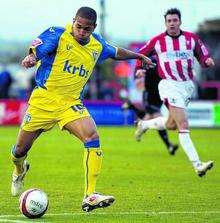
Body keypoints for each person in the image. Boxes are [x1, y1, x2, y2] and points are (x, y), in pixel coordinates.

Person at [10, 6, 154, 212]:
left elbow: (116, 52)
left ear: (93, 27)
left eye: (86, 29)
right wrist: (31, 57)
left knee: (92, 136)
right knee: (19, 150)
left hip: (70, 103)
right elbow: (37, 49)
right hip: (43, 100)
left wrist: (139, 57)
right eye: (78, 26)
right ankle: (19, 169)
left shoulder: (97, 44)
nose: (81, 32)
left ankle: (90, 195)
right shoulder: (58, 34)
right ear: (73, 22)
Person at [135, 8, 215, 177]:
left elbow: (203, 56)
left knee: (171, 124)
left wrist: (207, 61)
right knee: (183, 125)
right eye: (169, 21)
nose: (172, 23)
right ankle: (198, 165)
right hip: (168, 85)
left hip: (186, 86)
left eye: (175, 20)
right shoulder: (157, 41)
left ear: (180, 21)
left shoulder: (192, 39)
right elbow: (141, 53)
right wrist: (140, 69)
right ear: (166, 23)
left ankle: (144, 124)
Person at [122, 56, 178, 155]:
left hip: (159, 94)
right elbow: (141, 70)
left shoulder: (166, 60)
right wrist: (141, 71)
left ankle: (139, 124)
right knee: (157, 117)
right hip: (149, 94)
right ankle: (169, 145)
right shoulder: (151, 59)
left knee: (149, 118)